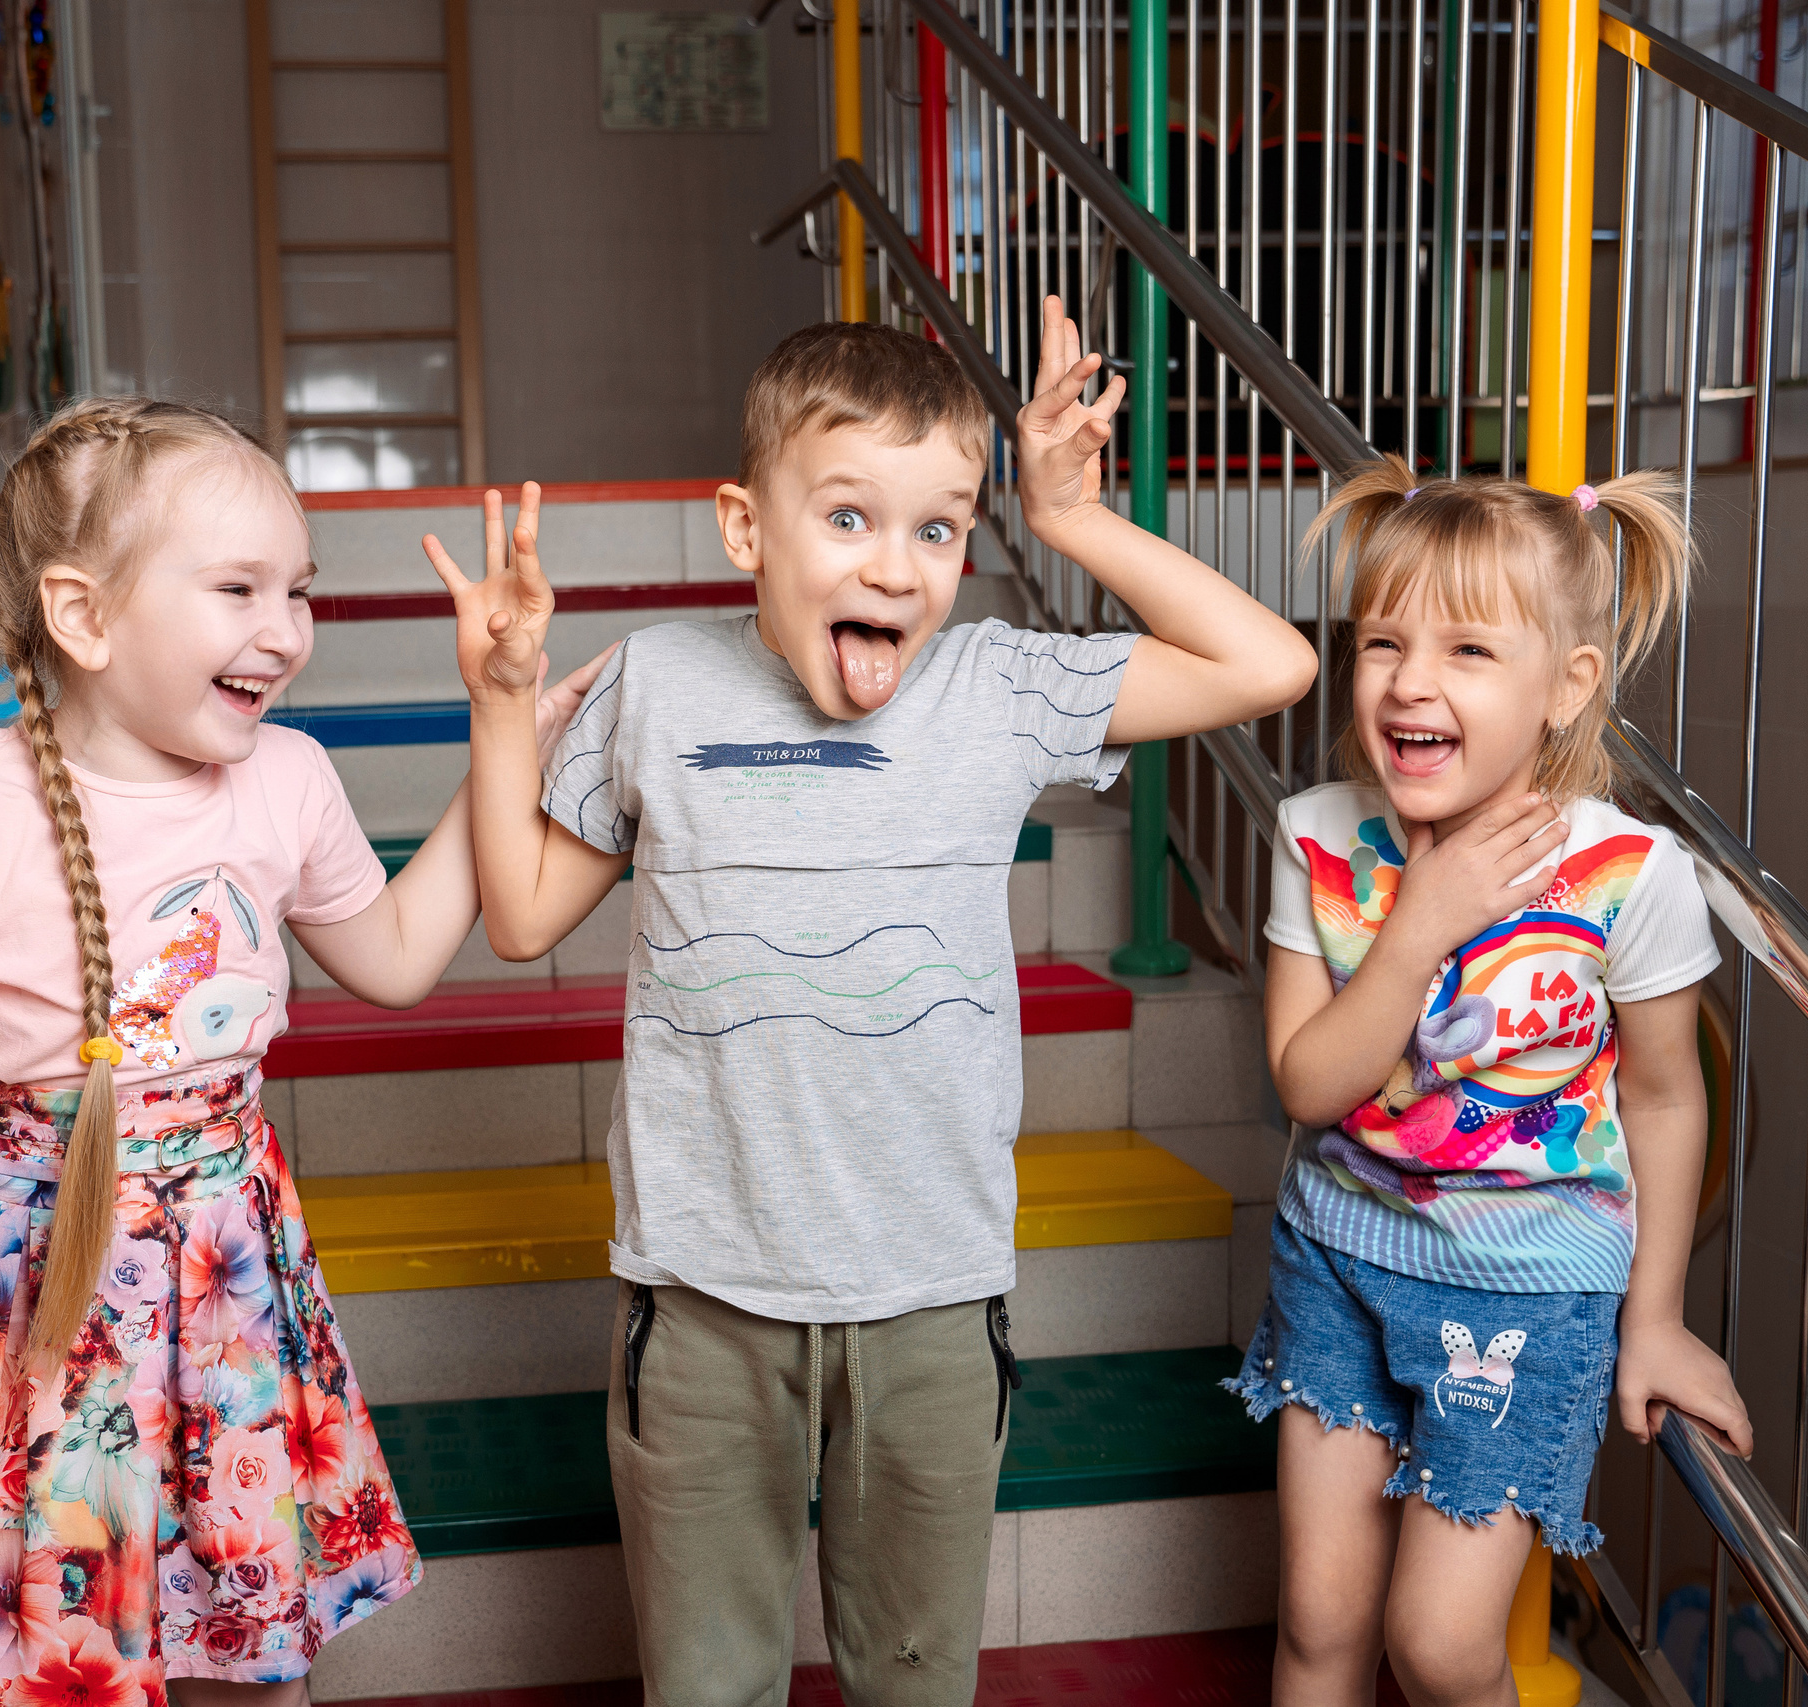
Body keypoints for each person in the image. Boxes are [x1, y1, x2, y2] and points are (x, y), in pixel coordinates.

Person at [424, 298, 1319, 1704]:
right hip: (705, 1296)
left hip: (933, 1297)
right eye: (847, 517)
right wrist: (501, 699)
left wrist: (1069, 518)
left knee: (916, 1681)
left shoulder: (994, 685)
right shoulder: (655, 682)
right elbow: (525, 912)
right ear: (744, 529)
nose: (896, 568)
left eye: (939, 528)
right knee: (706, 1686)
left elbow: (1271, 665)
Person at [0, 398, 602, 1706]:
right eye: (239, 587)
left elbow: (399, 954)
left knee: (247, 1656)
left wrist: (502, 722)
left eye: (298, 590)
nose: (287, 628)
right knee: (24, 1649)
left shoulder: (287, 777)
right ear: (85, 617)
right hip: (11, 1290)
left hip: (220, 1272)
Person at [1233, 455, 1755, 1707]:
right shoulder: (1317, 834)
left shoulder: (1631, 874)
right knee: (1316, 1619)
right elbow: (1309, 1085)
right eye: (1381, 643)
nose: (1409, 681)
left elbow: (1668, 1098)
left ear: (1565, 687)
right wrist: (1425, 921)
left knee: (1444, 1647)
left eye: (1468, 651)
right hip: (1340, 1258)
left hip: (1530, 1297)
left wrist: (1657, 1320)